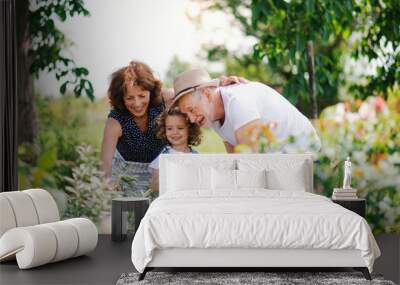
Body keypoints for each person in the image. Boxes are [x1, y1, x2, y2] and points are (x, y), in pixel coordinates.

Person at [101, 61, 245, 196]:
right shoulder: (115, 120)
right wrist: (109, 188)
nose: (137, 103)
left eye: (142, 95)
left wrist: (221, 85)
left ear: (150, 92)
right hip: (128, 176)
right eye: (130, 98)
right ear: (121, 98)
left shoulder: (165, 98)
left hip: (160, 171)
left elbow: (194, 92)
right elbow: (105, 164)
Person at [172, 68, 321, 154]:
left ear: (207, 94)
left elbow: (250, 162)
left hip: (304, 153)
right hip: (280, 160)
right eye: (187, 114)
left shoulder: (237, 101)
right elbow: (235, 160)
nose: (191, 119)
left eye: (191, 110)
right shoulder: (214, 116)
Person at [148, 107, 201, 193]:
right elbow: (155, 186)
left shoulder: (197, 156)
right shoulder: (163, 157)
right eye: (169, 128)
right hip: (170, 200)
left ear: (190, 129)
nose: (174, 132)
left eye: (180, 128)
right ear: (164, 130)